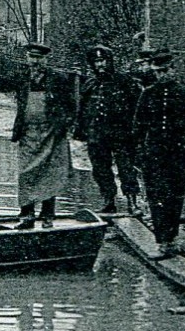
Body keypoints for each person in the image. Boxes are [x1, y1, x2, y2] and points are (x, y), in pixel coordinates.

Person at [134, 49, 185, 259]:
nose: (161, 75)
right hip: (154, 153)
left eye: (165, 71)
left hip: (177, 152)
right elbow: (138, 126)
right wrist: (140, 153)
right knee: (156, 196)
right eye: (157, 72)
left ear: (173, 70)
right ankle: (162, 242)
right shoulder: (148, 94)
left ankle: (172, 238)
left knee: (175, 196)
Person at [10, 42, 75, 229]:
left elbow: (70, 105)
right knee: (25, 173)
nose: (35, 62)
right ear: (27, 58)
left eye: (39, 58)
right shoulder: (21, 77)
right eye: (32, 57)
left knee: (49, 173)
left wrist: (63, 125)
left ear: (46, 59)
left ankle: (47, 215)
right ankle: (27, 215)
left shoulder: (58, 78)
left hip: (51, 133)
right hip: (28, 133)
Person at [75, 44, 142, 217]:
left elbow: (137, 108)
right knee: (100, 169)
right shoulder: (90, 84)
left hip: (121, 134)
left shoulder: (124, 82)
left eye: (103, 60)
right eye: (96, 61)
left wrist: (136, 131)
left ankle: (132, 202)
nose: (100, 65)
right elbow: (82, 110)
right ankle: (108, 201)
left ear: (110, 61)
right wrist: (81, 131)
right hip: (97, 134)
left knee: (126, 167)